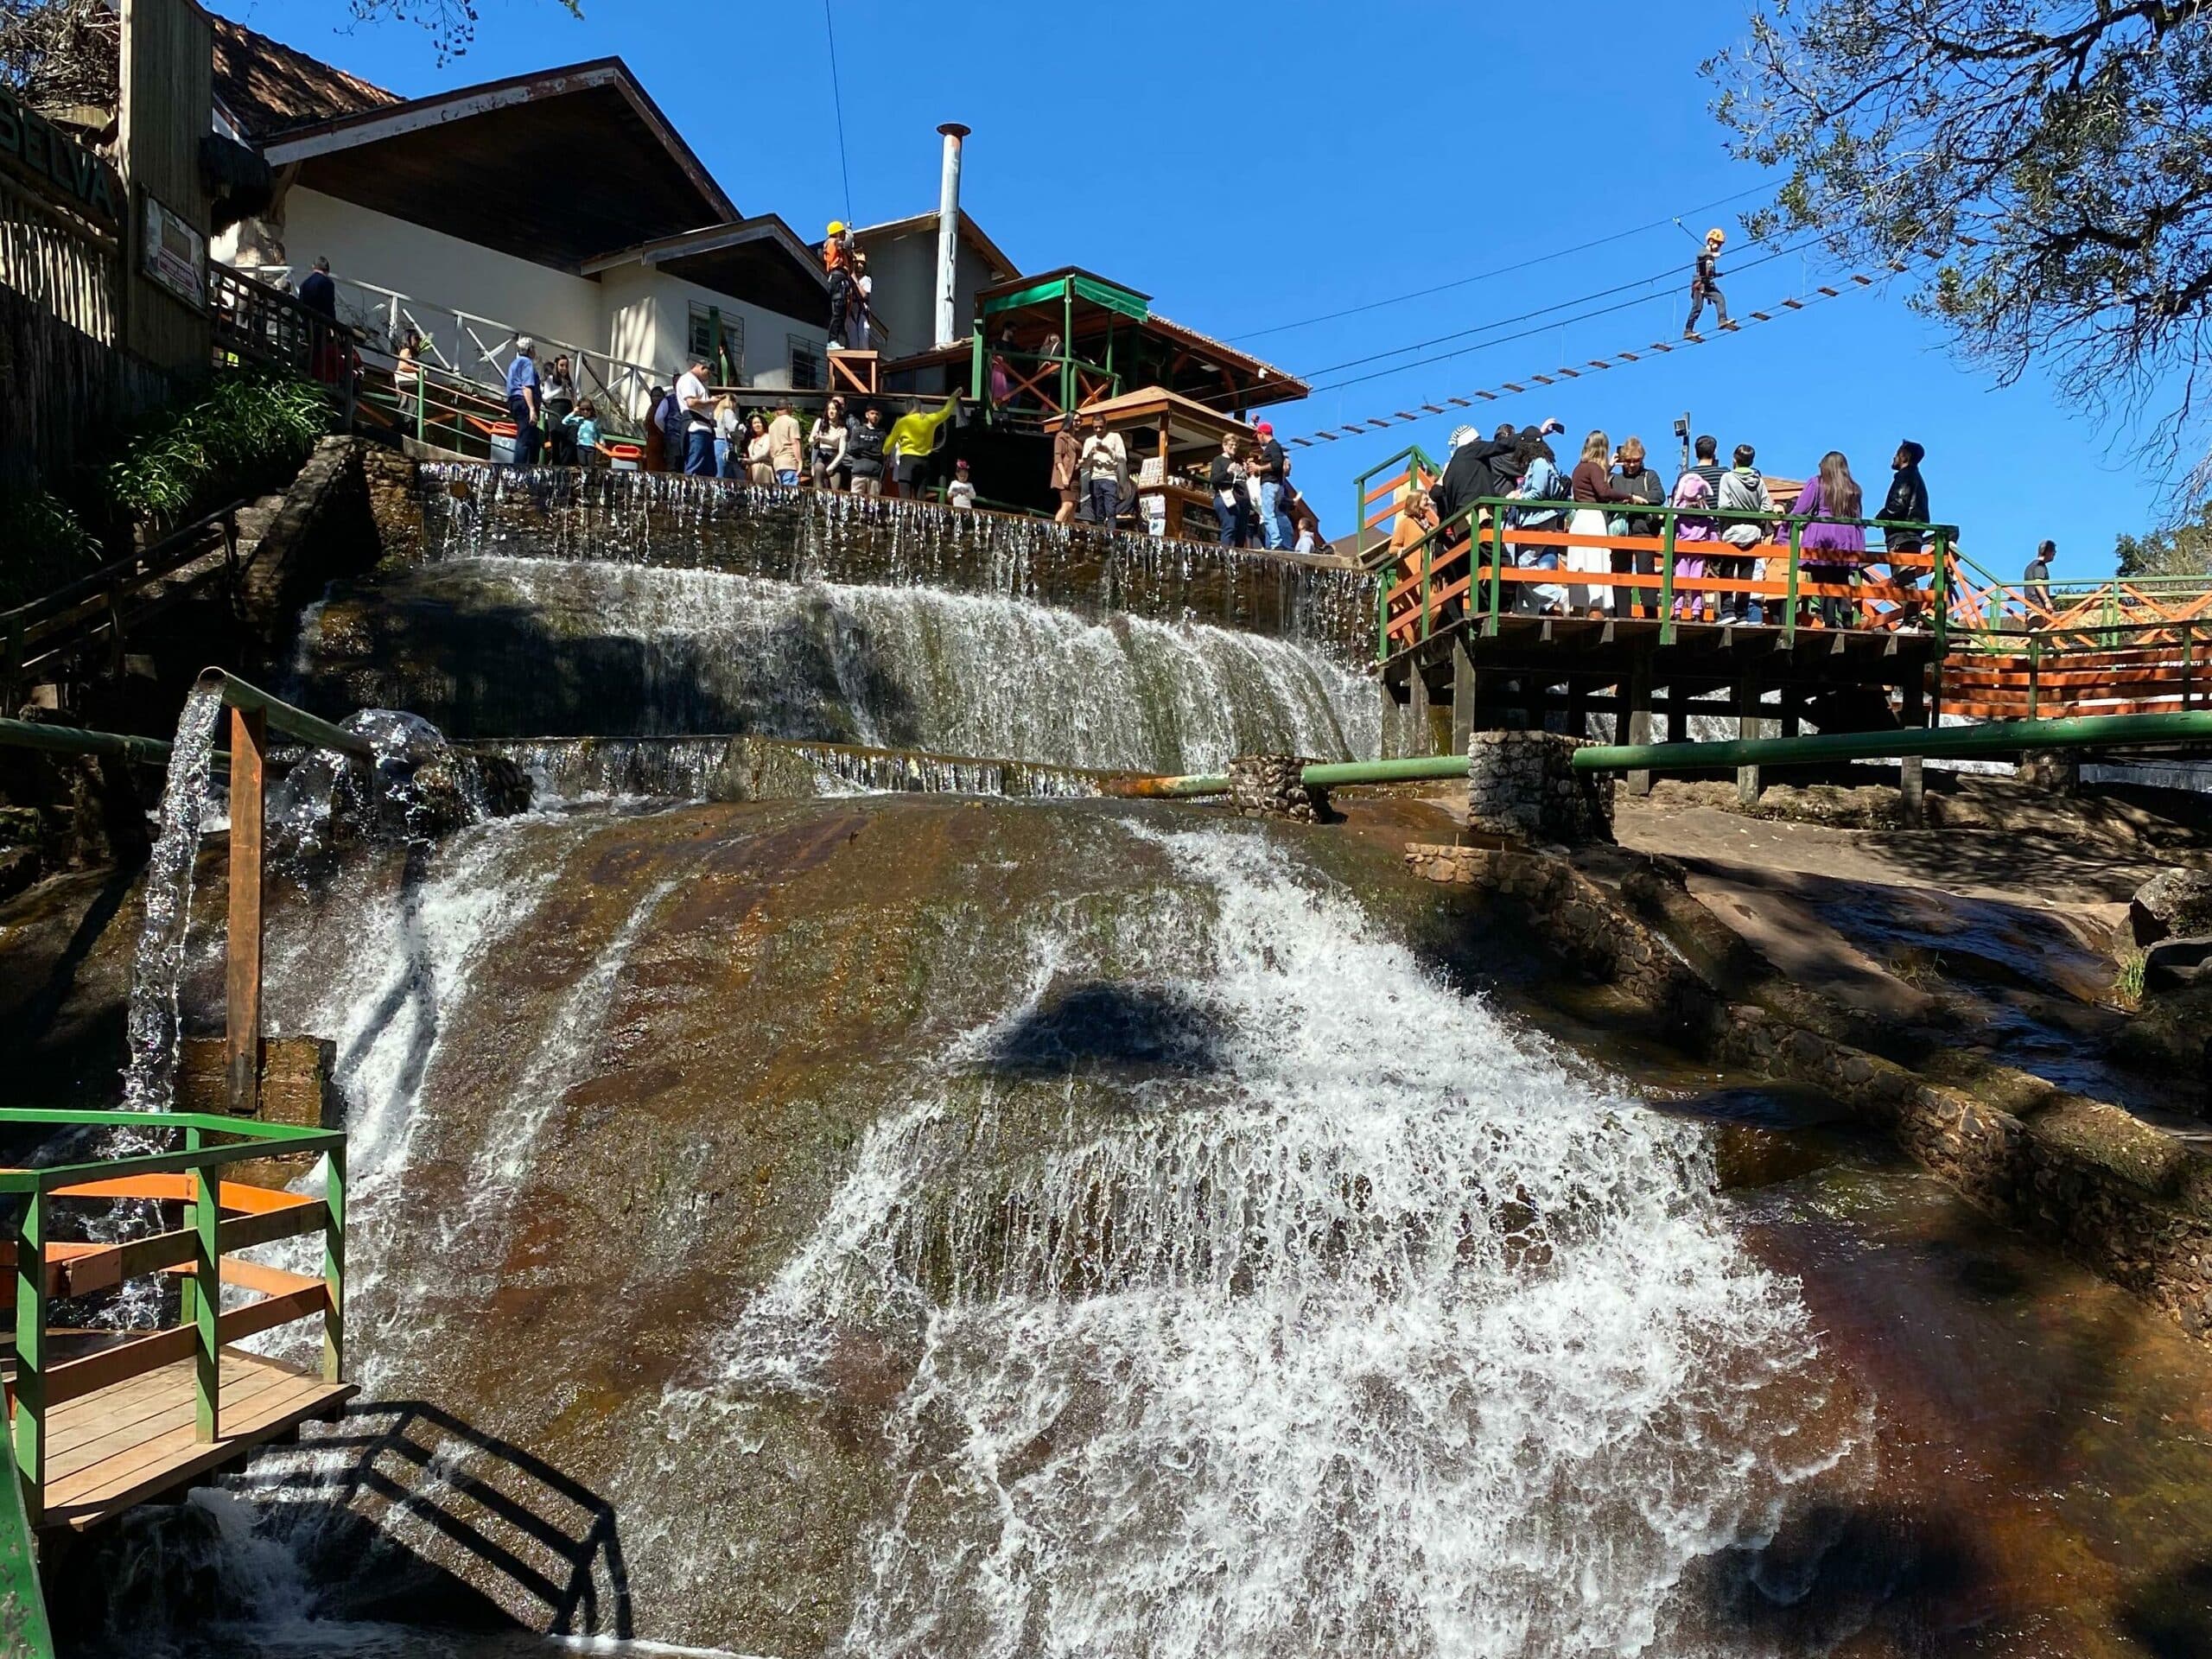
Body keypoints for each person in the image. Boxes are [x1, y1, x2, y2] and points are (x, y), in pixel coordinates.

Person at [1786, 450, 1867, 627]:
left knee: (1822, 579)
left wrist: (1786, 524)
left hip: (1821, 534)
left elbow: (1800, 510)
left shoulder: (1817, 483)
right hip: (1846, 537)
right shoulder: (1854, 489)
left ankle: (1829, 620)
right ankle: (1846, 614)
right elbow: (1858, 517)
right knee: (1842, 577)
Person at [1567, 429, 1637, 616]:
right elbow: (1604, 492)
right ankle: (1595, 608)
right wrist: (1628, 497)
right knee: (1596, 562)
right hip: (1593, 518)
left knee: (1579, 563)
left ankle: (1578, 608)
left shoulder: (1578, 468)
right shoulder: (1595, 468)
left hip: (1579, 518)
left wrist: (1608, 469)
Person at [1508, 430, 1571, 613]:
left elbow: (1537, 492)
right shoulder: (1539, 463)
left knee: (1523, 568)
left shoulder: (1540, 464)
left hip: (1540, 521)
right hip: (1536, 521)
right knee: (1527, 566)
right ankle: (1529, 610)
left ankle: (1558, 595)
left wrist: (1517, 498)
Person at [1715, 443, 1777, 624]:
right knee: (1746, 574)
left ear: (1735, 459)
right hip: (1753, 533)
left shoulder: (1727, 477)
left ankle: (1727, 611)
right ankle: (1742, 613)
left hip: (1732, 532)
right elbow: (1767, 507)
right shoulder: (1759, 481)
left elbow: (1724, 505)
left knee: (1726, 572)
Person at [1609, 436, 1667, 619]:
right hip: (1621, 533)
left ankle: (1650, 616)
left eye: (1636, 461)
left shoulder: (1650, 475)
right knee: (1621, 574)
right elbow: (1606, 498)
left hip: (1644, 531)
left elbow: (1659, 496)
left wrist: (1634, 498)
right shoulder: (1615, 479)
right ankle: (1622, 617)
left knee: (1646, 574)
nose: (1632, 465)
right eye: (1628, 461)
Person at [1880, 440, 1930, 626]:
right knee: (1904, 577)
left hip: (1903, 534)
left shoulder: (1906, 476)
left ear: (1905, 456)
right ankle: (1911, 621)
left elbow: (1897, 504)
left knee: (1904, 578)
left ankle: (1911, 622)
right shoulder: (1914, 477)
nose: (1894, 457)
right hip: (1912, 533)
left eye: (1897, 453)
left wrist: (1881, 517)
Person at [1667, 466, 1719, 620]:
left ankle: (1677, 611)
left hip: (1682, 549)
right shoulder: (1705, 511)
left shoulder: (1680, 510)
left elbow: (1673, 527)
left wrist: (1672, 542)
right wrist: (1713, 544)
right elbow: (1712, 531)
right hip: (1699, 550)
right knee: (1697, 581)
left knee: (1680, 580)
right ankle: (1696, 612)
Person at [1080, 410, 1127, 528]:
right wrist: (1090, 455)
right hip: (1095, 478)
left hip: (1110, 478)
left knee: (1111, 512)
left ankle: (1111, 535)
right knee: (1098, 513)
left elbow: (1123, 458)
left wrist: (1109, 451)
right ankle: (1101, 535)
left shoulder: (1115, 437)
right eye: (1095, 427)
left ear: (1106, 425)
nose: (1098, 430)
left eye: (1101, 427)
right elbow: (1085, 464)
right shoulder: (1089, 441)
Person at [1251, 422, 1294, 550]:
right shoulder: (1275, 447)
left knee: (1268, 515)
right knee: (1275, 514)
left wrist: (1259, 468)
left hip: (1270, 484)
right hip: (1277, 484)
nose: (1258, 438)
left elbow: (1277, 464)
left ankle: (1276, 542)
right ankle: (1280, 542)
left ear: (1262, 434)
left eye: (1258, 435)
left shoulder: (1273, 446)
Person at [504, 337, 542, 466]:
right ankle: (520, 468)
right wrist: (532, 408)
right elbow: (527, 387)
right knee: (524, 438)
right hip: (524, 402)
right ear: (530, 349)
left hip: (514, 401)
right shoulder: (527, 363)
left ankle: (528, 465)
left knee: (532, 438)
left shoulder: (514, 363)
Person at [1685, 228, 1730, 337]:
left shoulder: (1710, 258)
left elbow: (1709, 271)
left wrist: (1716, 274)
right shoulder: (1704, 251)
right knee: (1697, 308)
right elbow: (1701, 255)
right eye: (1718, 244)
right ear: (1711, 241)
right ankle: (1688, 330)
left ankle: (1722, 320)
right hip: (1699, 284)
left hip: (1708, 284)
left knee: (1719, 298)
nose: (1719, 247)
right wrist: (1712, 255)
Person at [676, 356, 715, 476]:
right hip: (696, 427)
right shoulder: (688, 379)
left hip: (705, 427)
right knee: (695, 466)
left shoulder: (699, 383)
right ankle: (689, 487)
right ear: (702, 367)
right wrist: (710, 402)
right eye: (709, 373)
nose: (709, 377)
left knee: (708, 469)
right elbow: (691, 403)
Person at [1209, 432, 1248, 547]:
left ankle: (1239, 554)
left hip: (1241, 500)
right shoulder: (1218, 460)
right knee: (1230, 527)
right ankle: (1226, 552)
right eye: (1231, 445)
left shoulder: (1239, 461)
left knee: (1241, 531)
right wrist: (1227, 472)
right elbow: (1214, 480)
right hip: (1226, 498)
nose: (1234, 447)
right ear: (1224, 445)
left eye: (1236, 445)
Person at [845, 403, 889, 498]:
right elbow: (852, 448)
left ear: (880, 417)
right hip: (858, 473)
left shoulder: (882, 434)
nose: (875, 416)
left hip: (875, 475)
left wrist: (861, 449)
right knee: (855, 501)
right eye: (872, 413)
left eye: (877, 414)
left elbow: (879, 452)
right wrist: (870, 447)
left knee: (873, 503)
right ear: (867, 415)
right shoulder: (858, 430)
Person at [542, 353, 577, 465]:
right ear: (556, 366)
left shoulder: (570, 382)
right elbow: (545, 397)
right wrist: (560, 389)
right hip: (556, 409)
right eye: (561, 365)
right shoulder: (550, 379)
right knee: (556, 441)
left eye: (566, 366)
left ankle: (565, 464)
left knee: (571, 438)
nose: (564, 369)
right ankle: (556, 466)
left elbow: (574, 398)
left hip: (568, 410)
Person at [810, 396, 848, 489]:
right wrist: (815, 439)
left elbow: (842, 452)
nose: (831, 412)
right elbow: (811, 442)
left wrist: (831, 467)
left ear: (838, 411)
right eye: (829, 409)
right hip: (822, 456)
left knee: (835, 489)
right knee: (819, 475)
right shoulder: (820, 423)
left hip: (835, 458)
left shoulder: (843, 430)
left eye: (834, 409)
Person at [1052, 413, 1083, 525]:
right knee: (1067, 504)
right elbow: (1058, 457)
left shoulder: (1076, 439)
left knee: (1073, 508)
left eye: (1080, 421)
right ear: (1069, 421)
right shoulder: (1061, 436)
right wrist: (1063, 475)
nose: (1078, 423)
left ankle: (1068, 531)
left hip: (1076, 476)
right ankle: (1055, 529)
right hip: (1066, 475)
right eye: (1076, 420)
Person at [767, 401, 805, 486]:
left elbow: (771, 448)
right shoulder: (792, 422)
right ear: (789, 407)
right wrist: (800, 461)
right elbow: (795, 442)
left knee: (783, 491)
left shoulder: (772, 426)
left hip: (777, 463)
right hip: (790, 461)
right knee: (790, 492)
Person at [563, 398, 605, 468]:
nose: (585, 411)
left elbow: (599, 433)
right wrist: (574, 412)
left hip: (591, 447)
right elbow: (564, 422)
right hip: (581, 446)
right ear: (580, 410)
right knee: (583, 463)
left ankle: (591, 475)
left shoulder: (595, 421)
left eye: (588, 409)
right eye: (583, 409)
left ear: (591, 410)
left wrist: (602, 441)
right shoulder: (579, 420)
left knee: (591, 465)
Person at [393, 327, 423, 420]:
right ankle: (403, 425)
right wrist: (419, 370)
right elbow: (402, 366)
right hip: (406, 383)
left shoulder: (411, 351)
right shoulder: (406, 350)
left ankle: (406, 424)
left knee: (410, 407)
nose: (418, 341)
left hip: (409, 383)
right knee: (406, 406)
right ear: (409, 338)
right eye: (416, 338)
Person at [2024, 539, 2055, 620]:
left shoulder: (2031, 566)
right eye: (2053, 551)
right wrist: (2047, 601)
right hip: (2037, 606)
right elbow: (2038, 584)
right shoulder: (2040, 566)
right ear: (2047, 551)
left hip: (2031, 605)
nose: (2054, 554)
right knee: (2038, 627)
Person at [642, 385, 669, 473]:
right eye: (654, 396)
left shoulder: (665, 408)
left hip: (664, 443)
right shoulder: (651, 409)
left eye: (658, 396)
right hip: (653, 443)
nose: (656, 398)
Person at [746, 412, 776, 486]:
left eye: (759, 422)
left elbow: (764, 453)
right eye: (754, 423)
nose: (757, 425)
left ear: (763, 424)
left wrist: (750, 460)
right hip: (752, 471)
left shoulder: (767, 437)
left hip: (764, 469)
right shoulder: (752, 441)